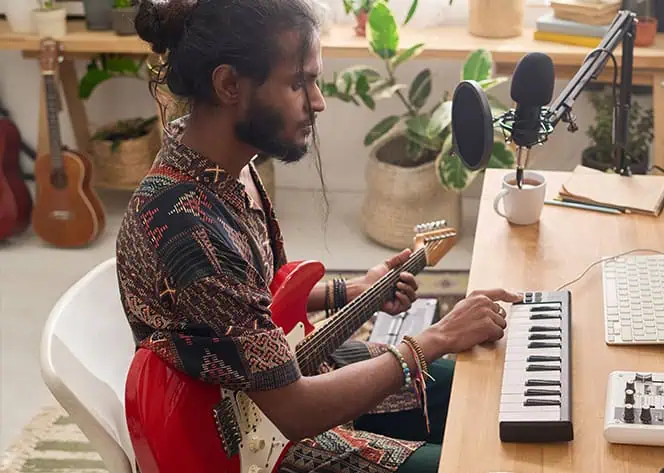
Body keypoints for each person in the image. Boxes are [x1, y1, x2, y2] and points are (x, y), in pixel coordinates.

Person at [116, 0, 521, 472]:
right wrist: (433, 338)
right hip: (244, 440)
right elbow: (297, 412)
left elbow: (248, 305)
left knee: (477, 384)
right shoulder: (190, 230)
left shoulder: (225, 169)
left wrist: (354, 290)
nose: (318, 101)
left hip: (259, 382)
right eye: (298, 82)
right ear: (229, 85)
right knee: (463, 461)